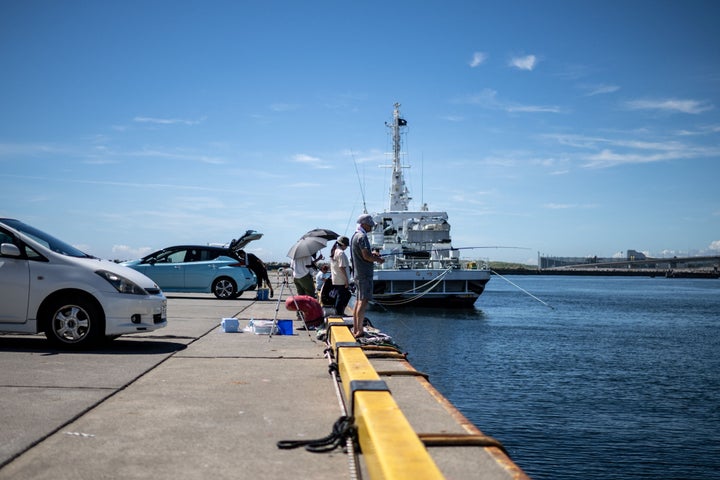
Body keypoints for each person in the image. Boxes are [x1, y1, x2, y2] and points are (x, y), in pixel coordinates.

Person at [351, 214, 384, 337]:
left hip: (358, 274)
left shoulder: (355, 236)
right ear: (364, 224)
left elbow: (364, 254)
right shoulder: (362, 237)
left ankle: (356, 328)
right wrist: (378, 259)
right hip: (364, 275)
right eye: (370, 225)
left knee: (358, 301)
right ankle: (359, 330)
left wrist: (372, 254)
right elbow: (366, 257)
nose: (371, 227)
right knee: (363, 301)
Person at [330, 236, 352, 316]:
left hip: (336, 278)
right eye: (346, 245)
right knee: (341, 297)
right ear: (343, 245)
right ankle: (339, 313)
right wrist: (346, 280)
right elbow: (342, 267)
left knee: (343, 295)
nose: (346, 247)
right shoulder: (341, 253)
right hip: (341, 279)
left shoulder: (335, 251)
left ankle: (339, 312)